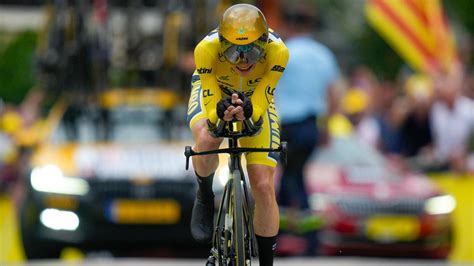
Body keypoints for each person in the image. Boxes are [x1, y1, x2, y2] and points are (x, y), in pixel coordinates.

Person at [186, 4, 289, 265]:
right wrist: (218, 113)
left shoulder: (279, 52)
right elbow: (209, 101)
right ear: (221, 45)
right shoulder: (205, 50)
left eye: (252, 51)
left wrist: (250, 113)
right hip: (215, 92)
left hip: (256, 98)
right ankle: (205, 192)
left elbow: (264, 95)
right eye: (233, 52)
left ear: (264, 43)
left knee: (264, 186)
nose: (243, 61)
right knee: (208, 137)